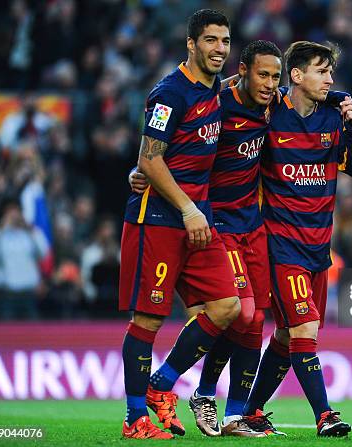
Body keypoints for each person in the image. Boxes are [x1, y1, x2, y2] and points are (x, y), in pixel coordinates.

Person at [131, 40, 284, 437]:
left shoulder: (273, 104)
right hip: (213, 222)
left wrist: (342, 100)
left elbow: (306, 92)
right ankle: (194, 393)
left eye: (275, 77)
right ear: (245, 71)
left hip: (252, 224)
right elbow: (163, 144)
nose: (269, 83)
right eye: (262, 74)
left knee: (251, 318)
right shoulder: (218, 100)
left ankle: (233, 412)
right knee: (240, 312)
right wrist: (141, 170)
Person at [119, 9, 240, 440]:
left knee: (228, 307)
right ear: (191, 44)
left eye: (225, 41)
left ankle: (161, 385)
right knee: (148, 320)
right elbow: (148, 159)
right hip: (159, 219)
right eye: (210, 40)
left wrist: (339, 99)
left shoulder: (219, 92)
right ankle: (135, 420)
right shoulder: (169, 93)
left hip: (197, 217)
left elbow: (280, 85)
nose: (219, 49)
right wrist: (188, 208)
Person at [242, 41, 352, 437]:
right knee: (305, 329)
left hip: (318, 248)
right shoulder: (270, 112)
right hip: (281, 245)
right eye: (321, 70)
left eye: (331, 71)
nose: (330, 79)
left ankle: (252, 411)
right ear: (296, 76)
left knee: (286, 335)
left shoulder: (335, 114)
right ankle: (325, 415)